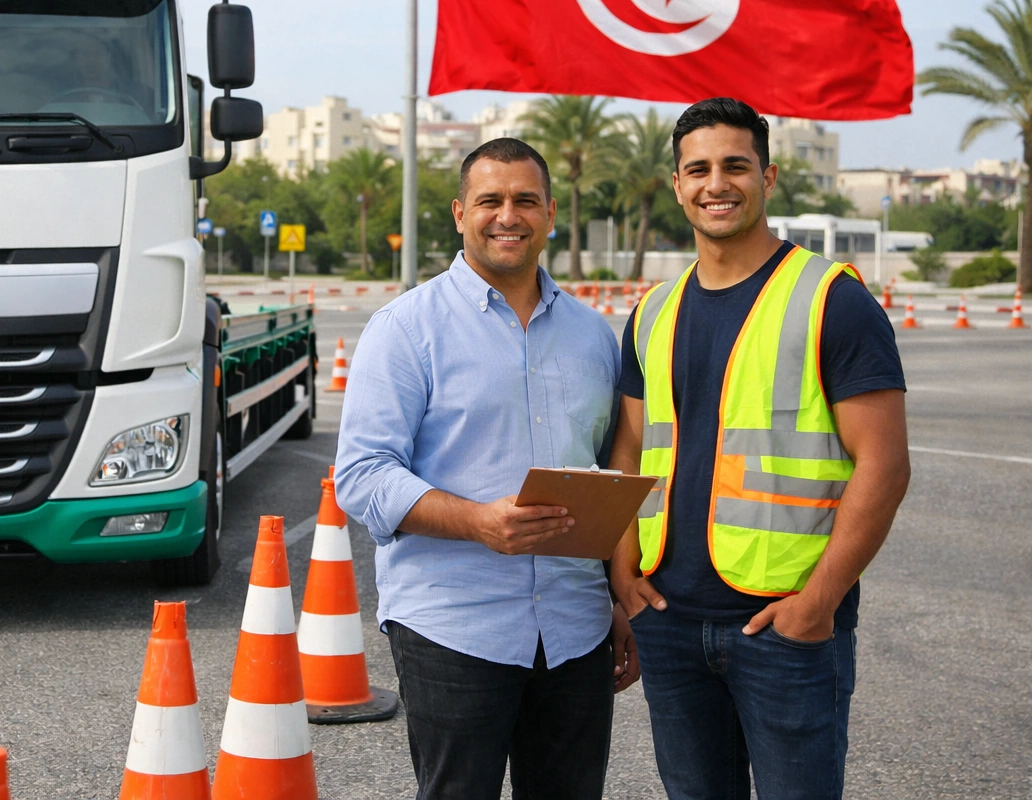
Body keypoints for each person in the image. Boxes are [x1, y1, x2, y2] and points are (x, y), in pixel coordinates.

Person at [608, 98, 910, 800]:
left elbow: (885, 465)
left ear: (768, 178)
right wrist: (622, 571)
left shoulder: (831, 299)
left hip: (784, 626)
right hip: (669, 620)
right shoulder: (652, 311)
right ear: (678, 184)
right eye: (698, 169)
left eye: (736, 166)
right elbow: (629, 448)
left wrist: (818, 602)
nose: (717, 183)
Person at [335, 137, 638, 800]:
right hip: (453, 624)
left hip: (575, 626)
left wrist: (615, 599)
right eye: (489, 200)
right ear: (459, 213)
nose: (508, 216)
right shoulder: (405, 328)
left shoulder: (594, 336)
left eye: (525, 200)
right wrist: (476, 521)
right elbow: (363, 473)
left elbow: (608, 474)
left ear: (550, 213)